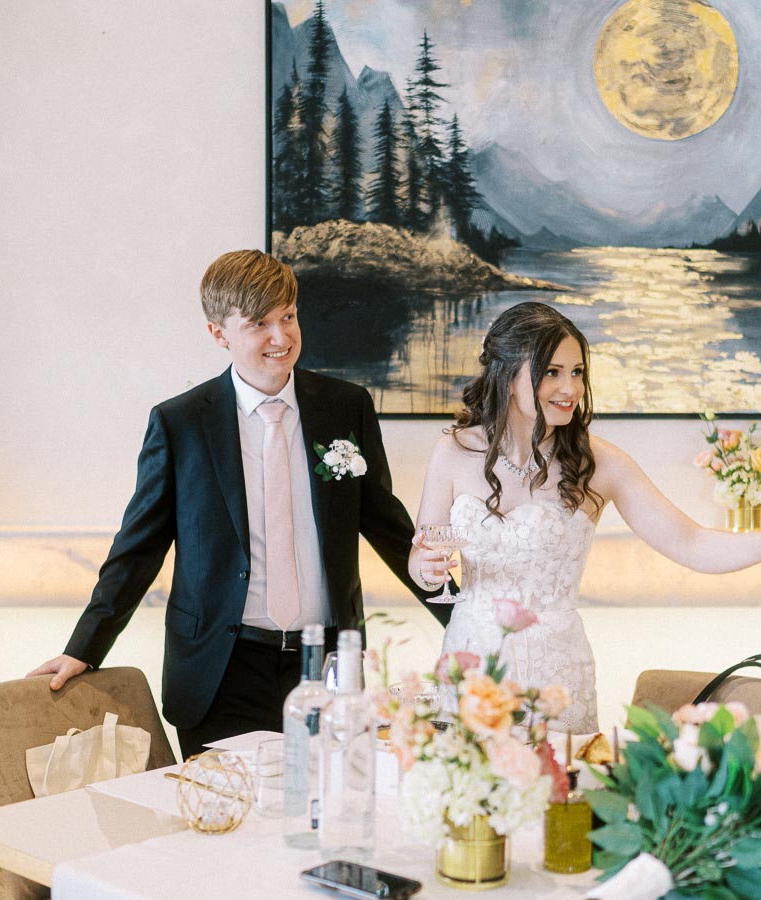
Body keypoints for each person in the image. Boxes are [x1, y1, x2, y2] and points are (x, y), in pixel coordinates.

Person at [30, 249, 451, 757]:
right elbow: (137, 548)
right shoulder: (180, 424)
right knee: (225, 822)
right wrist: (84, 648)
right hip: (220, 670)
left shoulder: (347, 406)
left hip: (328, 669)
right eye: (259, 324)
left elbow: (388, 527)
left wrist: (469, 622)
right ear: (219, 333)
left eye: (288, 317)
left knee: (322, 820)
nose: (282, 337)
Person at [408, 302, 761, 733]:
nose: (570, 388)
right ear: (507, 373)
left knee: (563, 797)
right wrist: (427, 570)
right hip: (470, 665)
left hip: (557, 676)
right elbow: (423, 558)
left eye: (577, 372)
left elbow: (691, 543)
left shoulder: (600, 464)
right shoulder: (453, 452)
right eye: (553, 372)